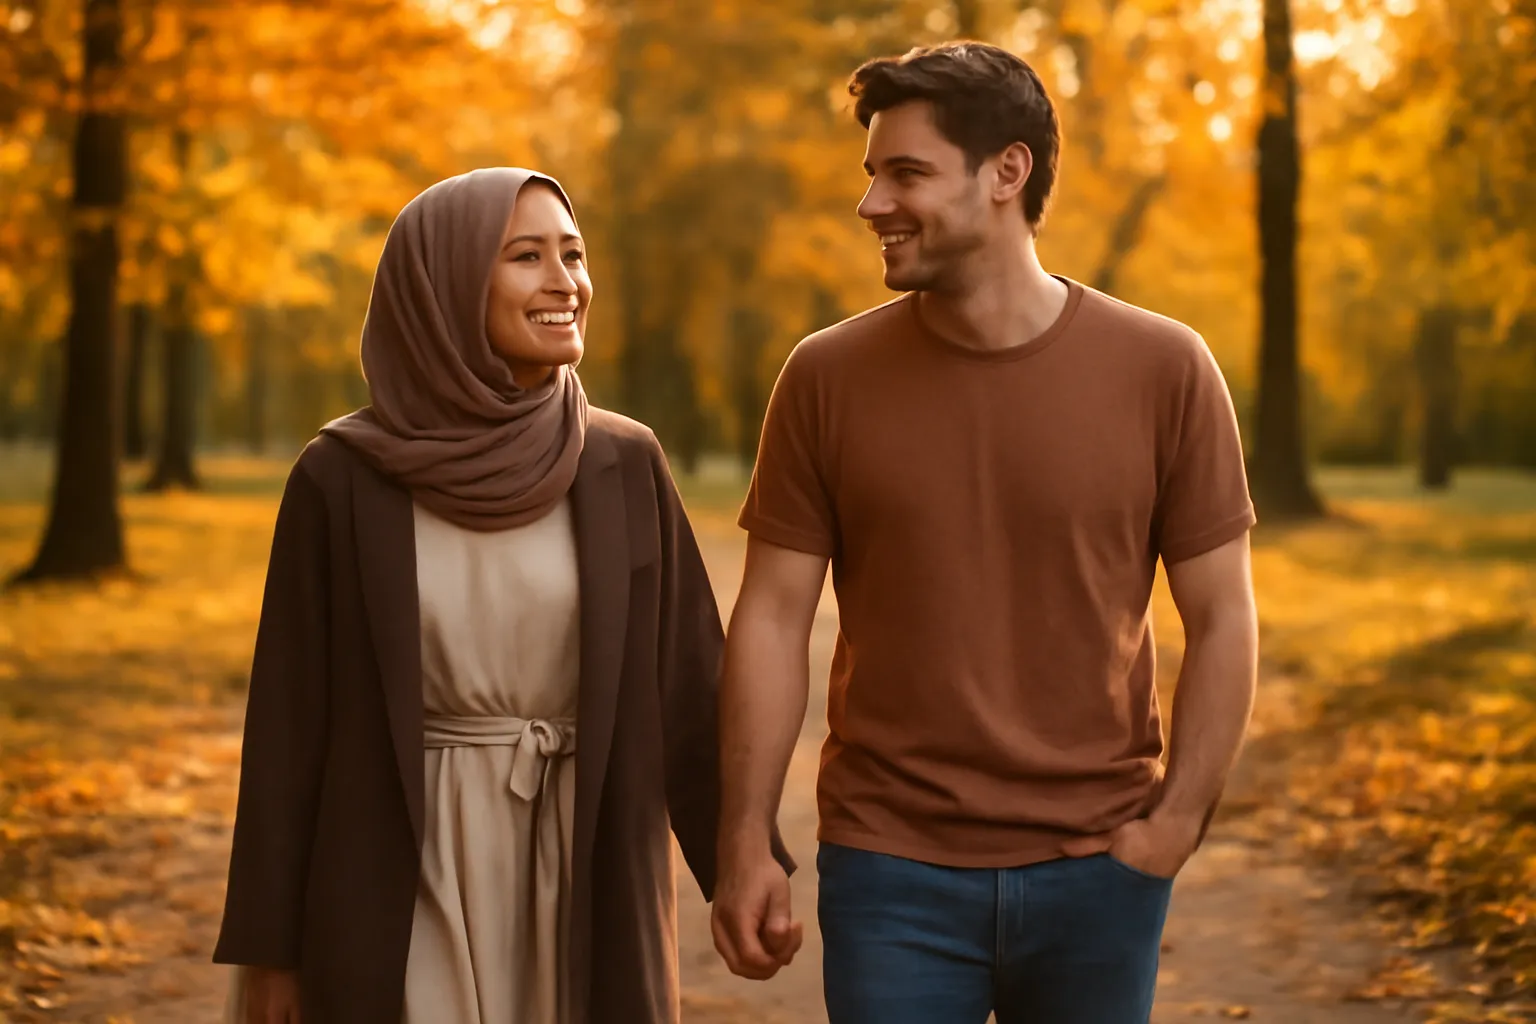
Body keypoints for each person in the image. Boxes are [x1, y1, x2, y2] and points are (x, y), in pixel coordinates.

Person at [711, 42, 1260, 1024]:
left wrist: (1174, 825)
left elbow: (1222, 616)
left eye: (906, 173)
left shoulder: (1165, 369)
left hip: (1099, 871)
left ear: (1007, 172)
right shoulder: (824, 378)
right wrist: (745, 837)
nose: (872, 203)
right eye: (872, 174)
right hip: (888, 870)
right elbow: (771, 618)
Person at [212, 167, 786, 1024]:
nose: (565, 282)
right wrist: (270, 953)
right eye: (526, 257)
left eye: (574, 254)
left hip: (583, 866)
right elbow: (287, 733)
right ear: (442, 284)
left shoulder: (622, 463)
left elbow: (692, 696)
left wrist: (745, 865)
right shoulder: (340, 479)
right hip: (401, 877)